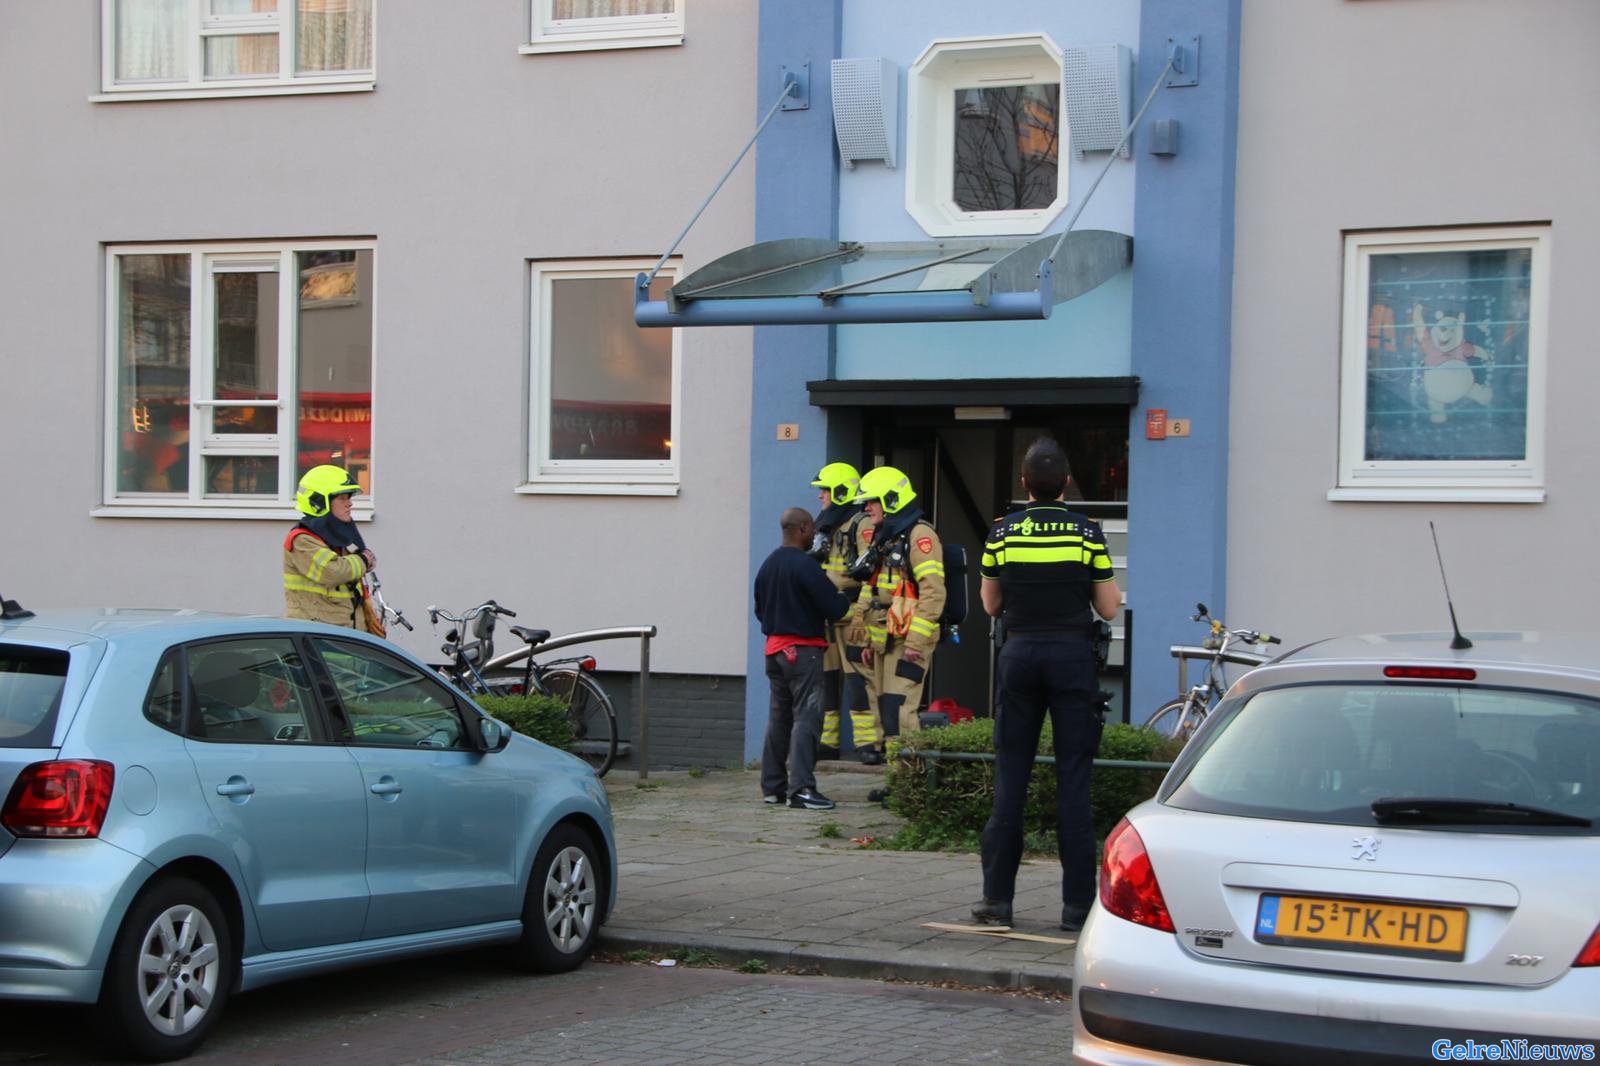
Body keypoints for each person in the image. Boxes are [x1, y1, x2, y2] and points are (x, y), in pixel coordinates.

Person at [971, 437, 1120, 932]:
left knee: (1011, 775)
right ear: (1068, 483)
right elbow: (1108, 606)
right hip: (1072, 657)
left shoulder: (1003, 533)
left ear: (1024, 484)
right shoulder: (1087, 534)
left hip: (1019, 655)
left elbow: (991, 605)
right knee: (1073, 778)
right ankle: (1077, 908)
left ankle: (997, 901)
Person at [754, 507, 853, 810]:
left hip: (774, 651)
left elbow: (760, 610)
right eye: (813, 530)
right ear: (805, 528)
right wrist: (849, 597)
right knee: (807, 718)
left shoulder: (768, 565)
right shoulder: (806, 566)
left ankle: (773, 788)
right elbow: (835, 608)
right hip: (803, 653)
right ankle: (802, 790)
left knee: (778, 719)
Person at [850, 467, 945, 763]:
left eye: (872, 501)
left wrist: (916, 640)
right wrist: (864, 635)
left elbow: (934, 592)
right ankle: (897, 777)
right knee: (886, 707)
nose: (866, 508)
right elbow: (873, 588)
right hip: (884, 638)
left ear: (891, 499)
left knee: (900, 708)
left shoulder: (920, 535)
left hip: (909, 641)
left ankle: (908, 781)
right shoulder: (886, 536)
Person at [808, 462, 878, 761]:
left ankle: (867, 745)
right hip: (827, 616)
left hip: (852, 617)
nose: (820, 496)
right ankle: (829, 742)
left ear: (839, 491)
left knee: (858, 680)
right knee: (827, 681)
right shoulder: (824, 524)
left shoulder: (861, 524)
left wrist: (861, 614)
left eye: (825, 490)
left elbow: (871, 572)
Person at [282, 465, 377, 630]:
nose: (350, 503)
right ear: (319, 501)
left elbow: (354, 564)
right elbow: (333, 571)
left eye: (349, 497)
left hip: (345, 636)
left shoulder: (335, 538)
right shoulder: (302, 540)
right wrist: (363, 560)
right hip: (318, 638)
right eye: (342, 498)